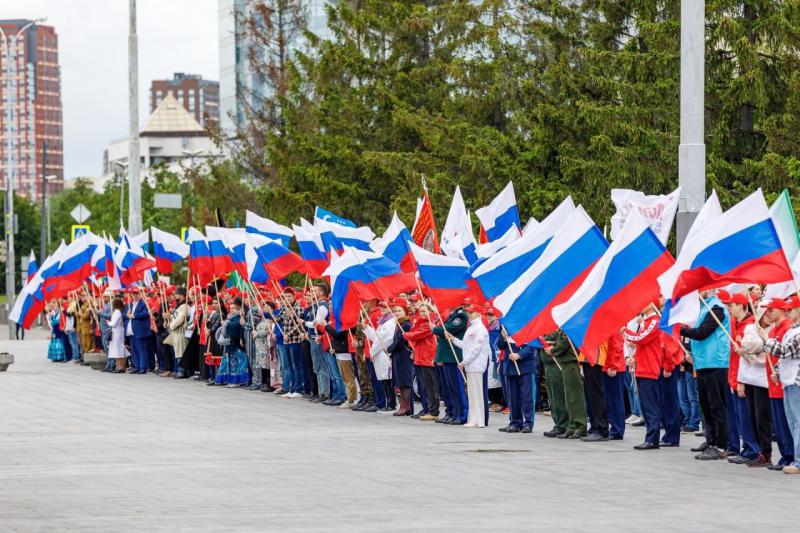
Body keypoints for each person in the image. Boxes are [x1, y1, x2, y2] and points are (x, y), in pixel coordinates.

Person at [680, 290, 730, 460]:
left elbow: (702, 333)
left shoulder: (716, 308)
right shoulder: (703, 307)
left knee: (717, 407)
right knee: (706, 406)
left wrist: (680, 329)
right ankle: (711, 440)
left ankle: (721, 446)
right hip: (703, 362)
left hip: (716, 362)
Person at [721, 291, 762, 465]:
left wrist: (740, 381)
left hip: (744, 377)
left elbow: (747, 357)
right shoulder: (736, 323)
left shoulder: (749, 325)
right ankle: (746, 448)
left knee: (745, 417)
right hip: (734, 375)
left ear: (741, 306)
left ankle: (751, 449)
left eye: (732, 305)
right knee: (739, 415)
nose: (729, 308)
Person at [733, 295, 774, 466]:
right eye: (767, 312)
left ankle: (766, 453)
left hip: (764, 380)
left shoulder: (772, 330)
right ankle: (759, 452)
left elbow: (765, 356)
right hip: (749, 378)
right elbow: (747, 349)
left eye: (771, 311)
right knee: (753, 417)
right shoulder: (751, 328)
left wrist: (751, 349)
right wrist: (755, 348)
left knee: (763, 418)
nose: (769, 315)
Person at [762, 297, 800, 475]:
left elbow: (785, 351)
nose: (788, 312)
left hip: (796, 381)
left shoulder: (798, 333)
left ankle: (798, 461)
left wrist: (766, 340)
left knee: (797, 422)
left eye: (791, 309)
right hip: (788, 380)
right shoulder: (791, 331)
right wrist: (777, 371)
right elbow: (784, 358)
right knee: (792, 422)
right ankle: (796, 458)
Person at [624, 303, 667, 450]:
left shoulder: (654, 321)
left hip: (649, 368)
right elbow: (642, 345)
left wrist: (625, 331)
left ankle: (652, 439)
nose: (642, 305)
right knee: (645, 406)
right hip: (642, 367)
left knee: (651, 406)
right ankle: (650, 437)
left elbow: (641, 338)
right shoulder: (647, 322)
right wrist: (634, 357)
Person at [449, 304, 490, 428]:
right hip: (471, 365)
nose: (468, 314)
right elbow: (467, 346)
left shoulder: (480, 329)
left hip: (477, 365)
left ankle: (479, 420)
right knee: (472, 393)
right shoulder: (471, 327)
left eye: (471, 312)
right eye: (468, 312)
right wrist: (454, 340)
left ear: (478, 313)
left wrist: (464, 361)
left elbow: (476, 349)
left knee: (477, 393)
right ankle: (474, 419)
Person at [543, 330, 587, 439]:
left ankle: (580, 425)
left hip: (571, 363)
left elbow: (565, 341)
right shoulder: (564, 326)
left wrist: (553, 349)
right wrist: (554, 344)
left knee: (575, 396)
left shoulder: (569, 325)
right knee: (569, 397)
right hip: (566, 363)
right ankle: (572, 426)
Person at [432, 306, 469, 424]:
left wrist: (434, 329)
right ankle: (453, 413)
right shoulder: (452, 314)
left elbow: (448, 329)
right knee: (448, 388)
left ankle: (462, 414)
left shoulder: (461, 315)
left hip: (453, 356)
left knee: (456, 387)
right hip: (447, 356)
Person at [404, 302, 439, 421]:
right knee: (426, 386)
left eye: (425, 311)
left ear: (430, 311)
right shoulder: (422, 322)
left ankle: (434, 411)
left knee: (431, 386)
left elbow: (417, 335)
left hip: (428, 357)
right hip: (421, 357)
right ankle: (429, 409)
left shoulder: (430, 324)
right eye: (421, 311)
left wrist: (406, 334)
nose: (422, 313)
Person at [496, 333, 537, 433]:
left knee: (527, 397)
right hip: (510, 366)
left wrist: (519, 355)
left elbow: (532, 345)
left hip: (525, 366)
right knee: (512, 398)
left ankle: (528, 423)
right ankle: (515, 422)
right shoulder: (506, 327)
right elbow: (500, 346)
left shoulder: (528, 326)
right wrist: (503, 337)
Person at [366, 303, 397, 412]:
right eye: (381, 307)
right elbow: (376, 338)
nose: (382, 309)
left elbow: (384, 340)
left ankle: (391, 404)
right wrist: (367, 329)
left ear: (391, 308)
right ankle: (388, 403)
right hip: (379, 354)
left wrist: (372, 351)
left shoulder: (391, 322)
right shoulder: (383, 321)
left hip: (384, 353)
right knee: (384, 380)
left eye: (385, 307)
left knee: (388, 380)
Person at [215, 297, 250, 387]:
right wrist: (225, 325)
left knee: (237, 363)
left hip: (236, 343)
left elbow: (238, 329)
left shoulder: (240, 317)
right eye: (230, 308)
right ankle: (231, 381)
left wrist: (227, 326)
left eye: (233, 307)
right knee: (231, 363)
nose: (231, 310)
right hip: (229, 343)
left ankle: (238, 381)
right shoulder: (229, 318)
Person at [602, 332, 627, 440]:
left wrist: (613, 365)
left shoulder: (614, 328)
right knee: (609, 401)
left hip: (614, 368)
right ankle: (614, 427)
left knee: (615, 401)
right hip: (606, 366)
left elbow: (617, 347)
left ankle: (617, 430)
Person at [163, 287, 189, 378]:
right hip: (175, 332)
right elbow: (175, 317)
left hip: (180, 331)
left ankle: (181, 371)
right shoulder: (179, 306)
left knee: (180, 352)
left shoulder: (185, 306)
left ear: (182, 295)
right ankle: (177, 369)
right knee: (177, 352)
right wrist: (169, 317)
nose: (175, 296)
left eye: (177, 294)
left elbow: (180, 319)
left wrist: (170, 325)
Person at [127, 290, 152, 374]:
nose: (135, 296)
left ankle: (142, 367)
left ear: (140, 295)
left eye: (137, 294)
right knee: (134, 350)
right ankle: (136, 366)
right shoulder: (130, 305)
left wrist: (134, 315)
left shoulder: (144, 303)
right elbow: (125, 315)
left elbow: (145, 314)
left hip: (140, 331)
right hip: (132, 331)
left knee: (142, 350)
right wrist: (127, 314)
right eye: (133, 294)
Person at [107, 297, 127, 373]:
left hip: (117, 333)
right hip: (117, 332)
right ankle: (119, 366)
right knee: (118, 349)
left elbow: (113, 324)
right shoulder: (118, 311)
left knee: (118, 350)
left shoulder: (117, 312)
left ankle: (120, 367)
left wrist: (108, 322)